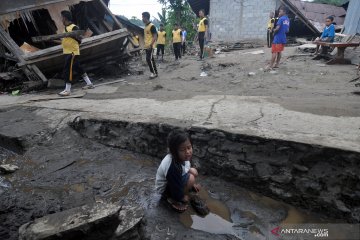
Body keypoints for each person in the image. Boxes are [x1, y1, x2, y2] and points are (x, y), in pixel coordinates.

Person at [155, 130, 200, 212]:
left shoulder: (182, 157)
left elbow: (185, 167)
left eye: (189, 147)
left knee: (194, 172)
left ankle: (185, 187)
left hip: (174, 179)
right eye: (182, 150)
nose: (187, 152)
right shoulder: (172, 167)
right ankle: (172, 199)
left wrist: (191, 182)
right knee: (191, 178)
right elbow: (175, 185)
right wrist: (180, 197)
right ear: (174, 151)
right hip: (165, 188)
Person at [58, 11, 94, 96]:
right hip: (68, 52)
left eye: (61, 17)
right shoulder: (65, 29)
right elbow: (67, 40)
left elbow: (80, 39)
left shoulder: (74, 27)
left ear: (64, 18)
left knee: (67, 70)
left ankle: (67, 90)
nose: (61, 19)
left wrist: (72, 36)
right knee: (78, 68)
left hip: (72, 52)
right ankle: (89, 84)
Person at [142, 12, 158, 79]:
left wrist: (150, 45)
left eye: (143, 17)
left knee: (149, 59)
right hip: (147, 46)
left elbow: (155, 36)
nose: (142, 19)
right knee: (151, 59)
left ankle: (153, 73)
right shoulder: (145, 27)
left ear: (146, 17)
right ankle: (155, 72)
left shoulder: (152, 26)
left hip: (150, 46)